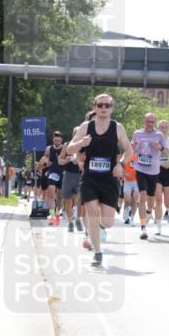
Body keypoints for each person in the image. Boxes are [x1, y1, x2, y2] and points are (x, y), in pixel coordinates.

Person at [67, 94, 133, 266]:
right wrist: (82, 142)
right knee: (92, 212)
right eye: (100, 105)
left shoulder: (117, 127)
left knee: (108, 222)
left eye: (107, 105)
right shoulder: (86, 126)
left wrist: (120, 163)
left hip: (109, 178)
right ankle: (98, 252)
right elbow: (70, 148)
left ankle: (98, 229)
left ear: (112, 108)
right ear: (95, 107)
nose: (103, 108)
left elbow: (129, 150)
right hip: (90, 177)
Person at [131, 112, 169, 239]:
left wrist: (159, 147)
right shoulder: (137, 133)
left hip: (153, 171)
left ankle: (149, 212)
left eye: (152, 122)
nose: (149, 124)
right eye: (147, 121)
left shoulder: (159, 135)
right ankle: (143, 227)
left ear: (154, 123)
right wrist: (133, 148)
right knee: (142, 196)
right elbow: (132, 148)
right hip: (140, 168)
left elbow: (166, 153)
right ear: (144, 121)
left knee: (151, 200)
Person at [58, 127, 85, 233]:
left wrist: (80, 161)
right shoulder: (67, 145)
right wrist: (67, 160)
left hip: (80, 175)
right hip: (69, 174)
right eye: (75, 133)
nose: (77, 135)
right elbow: (60, 161)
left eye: (79, 133)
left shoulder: (84, 146)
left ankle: (78, 218)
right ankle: (70, 222)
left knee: (79, 199)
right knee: (68, 200)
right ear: (73, 134)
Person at [41, 131, 65, 224]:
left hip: (62, 173)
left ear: (61, 140)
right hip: (52, 173)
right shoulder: (49, 148)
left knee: (59, 196)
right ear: (53, 140)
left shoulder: (65, 148)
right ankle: (51, 215)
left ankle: (58, 214)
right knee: (51, 193)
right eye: (55, 140)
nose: (57, 142)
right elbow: (46, 157)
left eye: (58, 140)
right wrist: (47, 161)